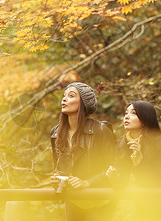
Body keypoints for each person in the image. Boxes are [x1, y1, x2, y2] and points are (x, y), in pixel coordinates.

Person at [106, 100, 161, 220]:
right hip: (147, 202)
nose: (127, 116)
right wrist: (115, 177)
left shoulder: (160, 143)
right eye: (126, 113)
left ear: (145, 118)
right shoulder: (122, 144)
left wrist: (140, 161)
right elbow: (123, 181)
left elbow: (160, 178)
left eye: (133, 113)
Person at [50, 82, 116, 221]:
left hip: (100, 201)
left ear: (83, 103)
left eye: (71, 95)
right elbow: (60, 168)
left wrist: (87, 183)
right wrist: (58, 179)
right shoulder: (56, 133)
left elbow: (114, 168)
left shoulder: (101, 130)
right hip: (73, 200)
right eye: (64, 96)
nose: (64, 99)